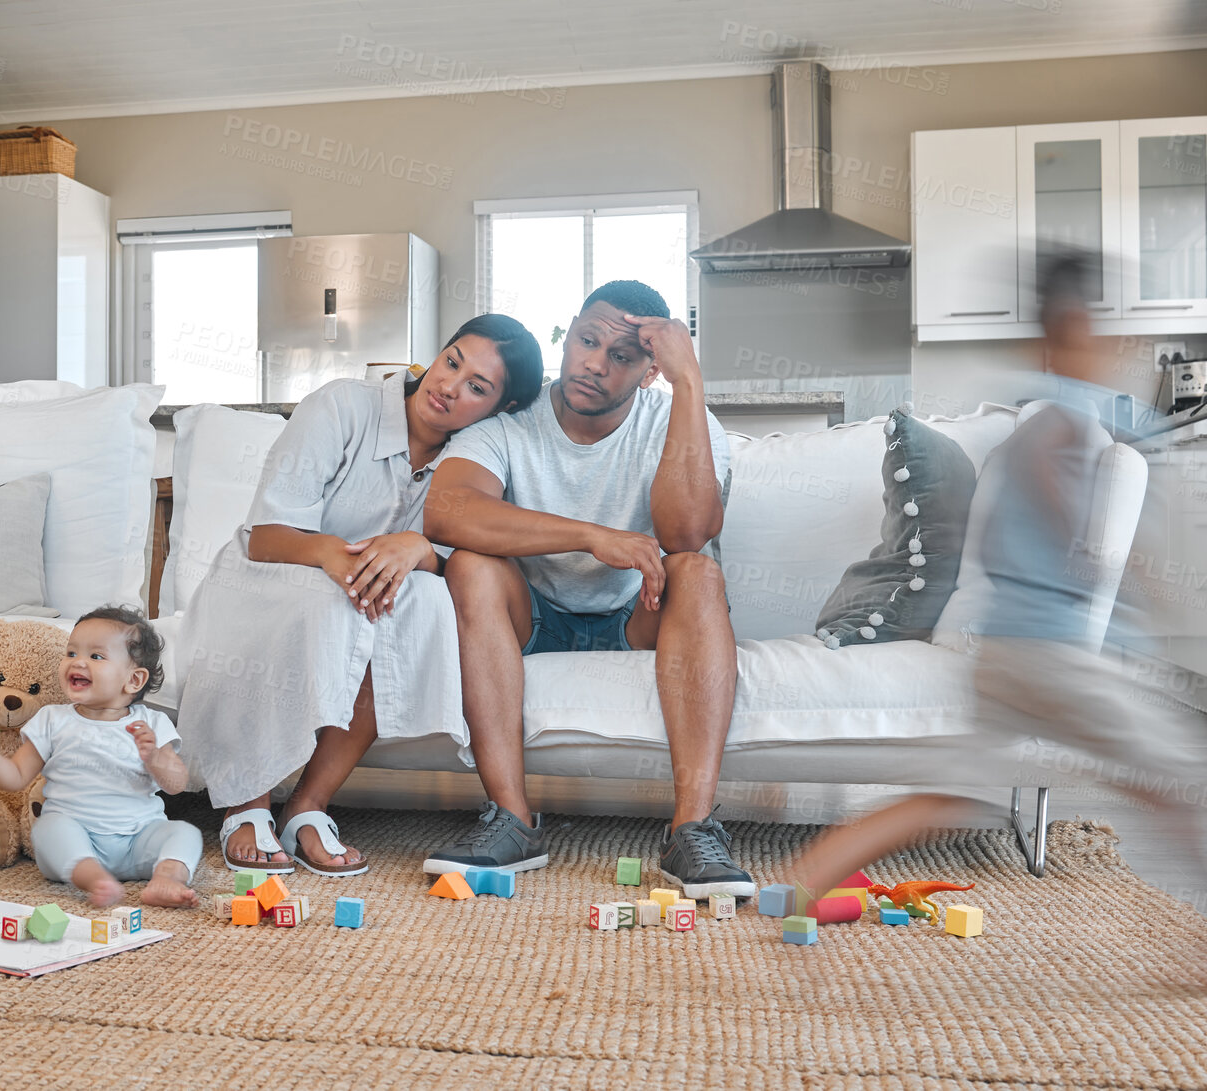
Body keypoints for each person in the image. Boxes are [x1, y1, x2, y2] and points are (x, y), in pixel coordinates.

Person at [786, 253, 1207, 905]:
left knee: (946, 795)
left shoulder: (1032, 432)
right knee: (1179, 776)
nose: (1106, 353)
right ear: (1067, 336)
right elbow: (1073, 525)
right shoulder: (1060, 426)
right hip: (1052, 658)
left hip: (1007, 655)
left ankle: (809, 877)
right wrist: (1120, 569)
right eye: (1095, 336)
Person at [176, 315, 544, 877]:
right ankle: (246, 800)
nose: (448, 387)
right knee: (342, 599)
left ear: (504, 409)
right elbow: (267, 534)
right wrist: (334, 556)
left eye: (477, 387)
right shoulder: (342, 406)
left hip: (361, 600)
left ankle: (308, 805)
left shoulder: (482, 458)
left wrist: (417, 546)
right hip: (270, 577)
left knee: (412, 601)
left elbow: (471, 565)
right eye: (452, 362)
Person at [424, 281, 754, 897]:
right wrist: (590, 536)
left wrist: (690, 383)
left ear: (650, 371)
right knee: (469, 562)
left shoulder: (680, 415)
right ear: (569, 332)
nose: (594, 364)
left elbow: (687, 532)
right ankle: (512, 820)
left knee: (700, 570)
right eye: (587, 340)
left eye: (622, 356)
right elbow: (446, 512)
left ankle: (692, 830)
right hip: (536, 616)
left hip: (642, 611)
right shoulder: (511, 423)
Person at [0, 606, 202, 909]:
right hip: (76, 840)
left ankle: (168, 877)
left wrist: (155, 757)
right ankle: (94, 880)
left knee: (185, 833)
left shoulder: (151, 724)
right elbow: (16, 777)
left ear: (133, 680)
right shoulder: (52, 719)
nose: (77, 662)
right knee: (48, 829)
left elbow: (176, 784)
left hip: (139, 839)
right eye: (71, 653)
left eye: (96, 656)